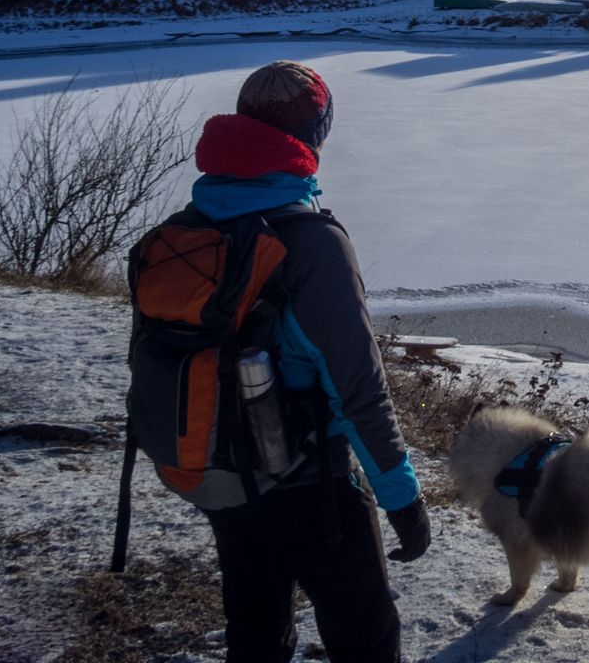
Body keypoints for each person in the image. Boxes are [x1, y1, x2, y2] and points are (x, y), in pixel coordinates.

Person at [175, 60, 429, 663]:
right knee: (366, 636)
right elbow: (358, 387)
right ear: (312, 135)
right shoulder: (312, 243)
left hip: (214, 473)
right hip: (305, 481)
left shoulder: (186, 229)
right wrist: (403, 500)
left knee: (256, 631)